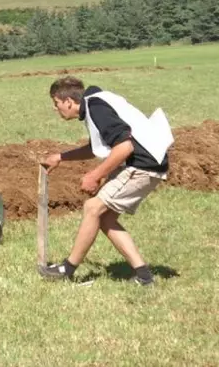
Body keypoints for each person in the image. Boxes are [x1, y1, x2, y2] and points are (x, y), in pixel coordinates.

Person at [39, 76, 173, 285]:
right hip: (149, 161)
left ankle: (67, 268)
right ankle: (144, 276)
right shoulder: (95, 102)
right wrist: (61, 157)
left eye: (56, 103)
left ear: (68, 101)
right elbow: (97, 147)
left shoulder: (96, 108)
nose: (55, 109)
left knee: (93, 208)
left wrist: (95, 175)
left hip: (142, 164)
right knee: (105, 218)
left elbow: (124, 147)